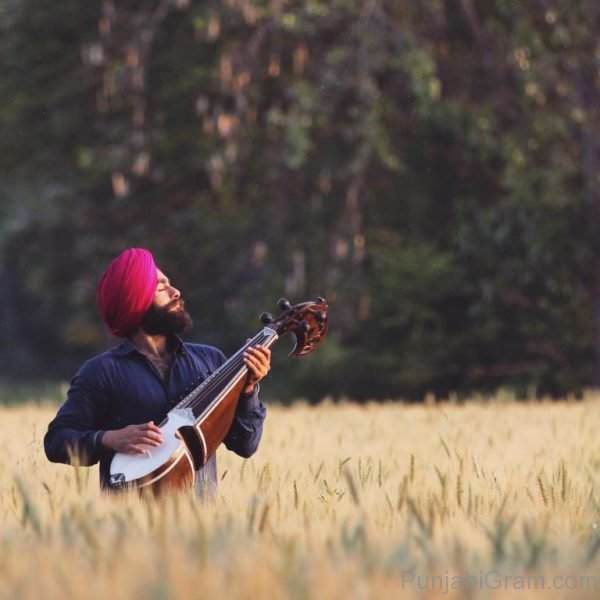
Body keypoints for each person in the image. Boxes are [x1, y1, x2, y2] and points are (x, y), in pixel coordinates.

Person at [44, 248, 270, 496]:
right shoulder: (101, 372)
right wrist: (108, 439)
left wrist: (248, 390)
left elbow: (246, 444)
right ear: (136, 300)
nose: (176, 293)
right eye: (162, 288)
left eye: (170, 285)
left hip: (201, 527)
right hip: (128, 527)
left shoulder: (211, 361)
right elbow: (56, 441)